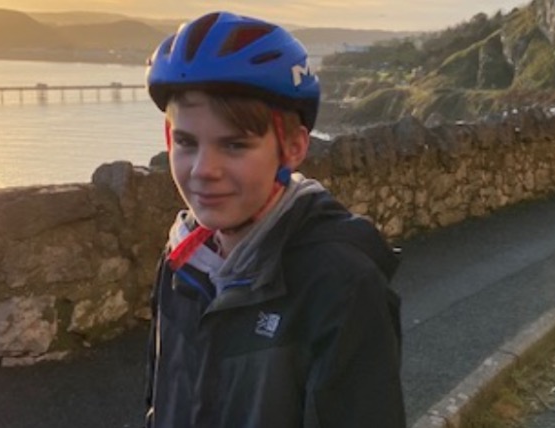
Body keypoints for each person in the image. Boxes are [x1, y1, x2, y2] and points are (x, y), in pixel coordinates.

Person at [143, 11, 405, 428]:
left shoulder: (340, 284)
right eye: (187, 142)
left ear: (293, 148)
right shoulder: (182, 262)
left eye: (234, 145)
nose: (203, 170)